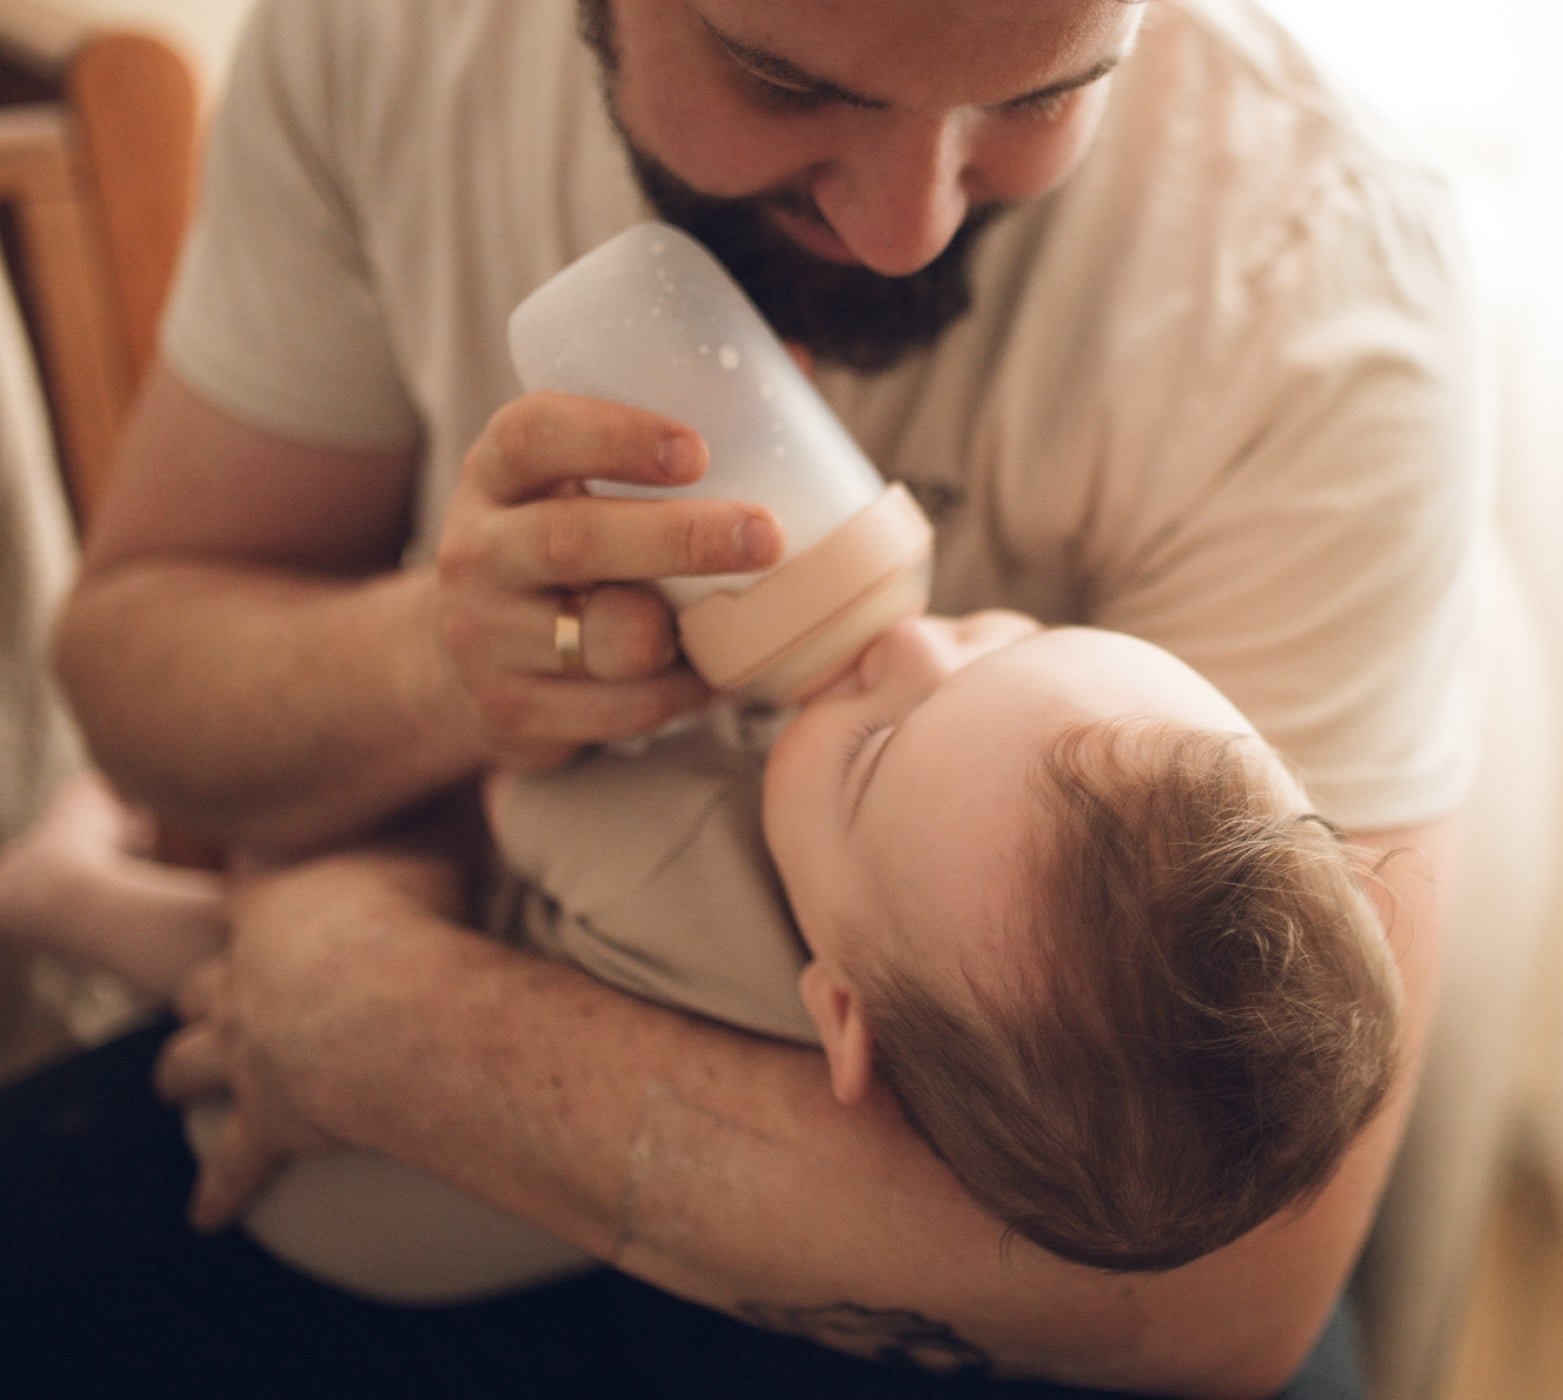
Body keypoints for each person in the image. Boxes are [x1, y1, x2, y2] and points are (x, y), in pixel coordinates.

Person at [23, 0, 1483, 1393]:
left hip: (957, 1217)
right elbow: (138, 685)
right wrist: (443, 661)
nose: (909, 228)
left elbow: (1230, 1288)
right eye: (784, 81)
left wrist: (394, 1022)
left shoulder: (1321, 257)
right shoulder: (391, 43)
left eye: (1046, 92)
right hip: (412, 1138)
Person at [1, 611, 1403, 1298]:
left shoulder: (681, 863)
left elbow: (522, 789)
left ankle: (64, 893)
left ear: (840, 1017)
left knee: (329, 890)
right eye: (1002, 637)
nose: (909, 636)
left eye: (881, 747)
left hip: (319, 1166)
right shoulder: (953, 1001)